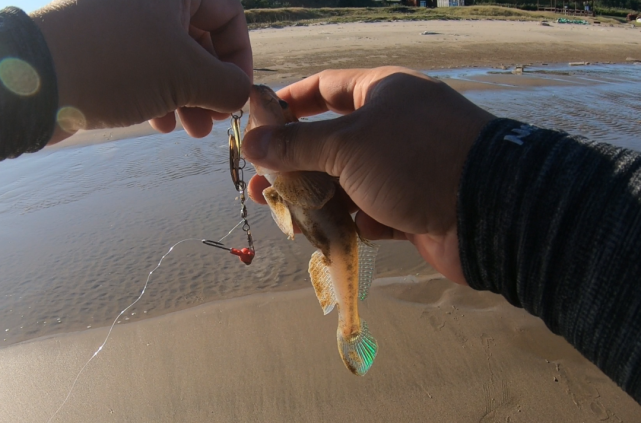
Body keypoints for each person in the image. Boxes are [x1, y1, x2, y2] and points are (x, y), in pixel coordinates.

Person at [1, 1, 639, 405]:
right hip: (349, 229)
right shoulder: (280, 169)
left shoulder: (293, 166)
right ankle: (352, 325)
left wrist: (48, 59)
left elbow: (292, 202)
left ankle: (351, 326)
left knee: (339, 286)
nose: (266, 108)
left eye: (277, 112)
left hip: (335, 237)